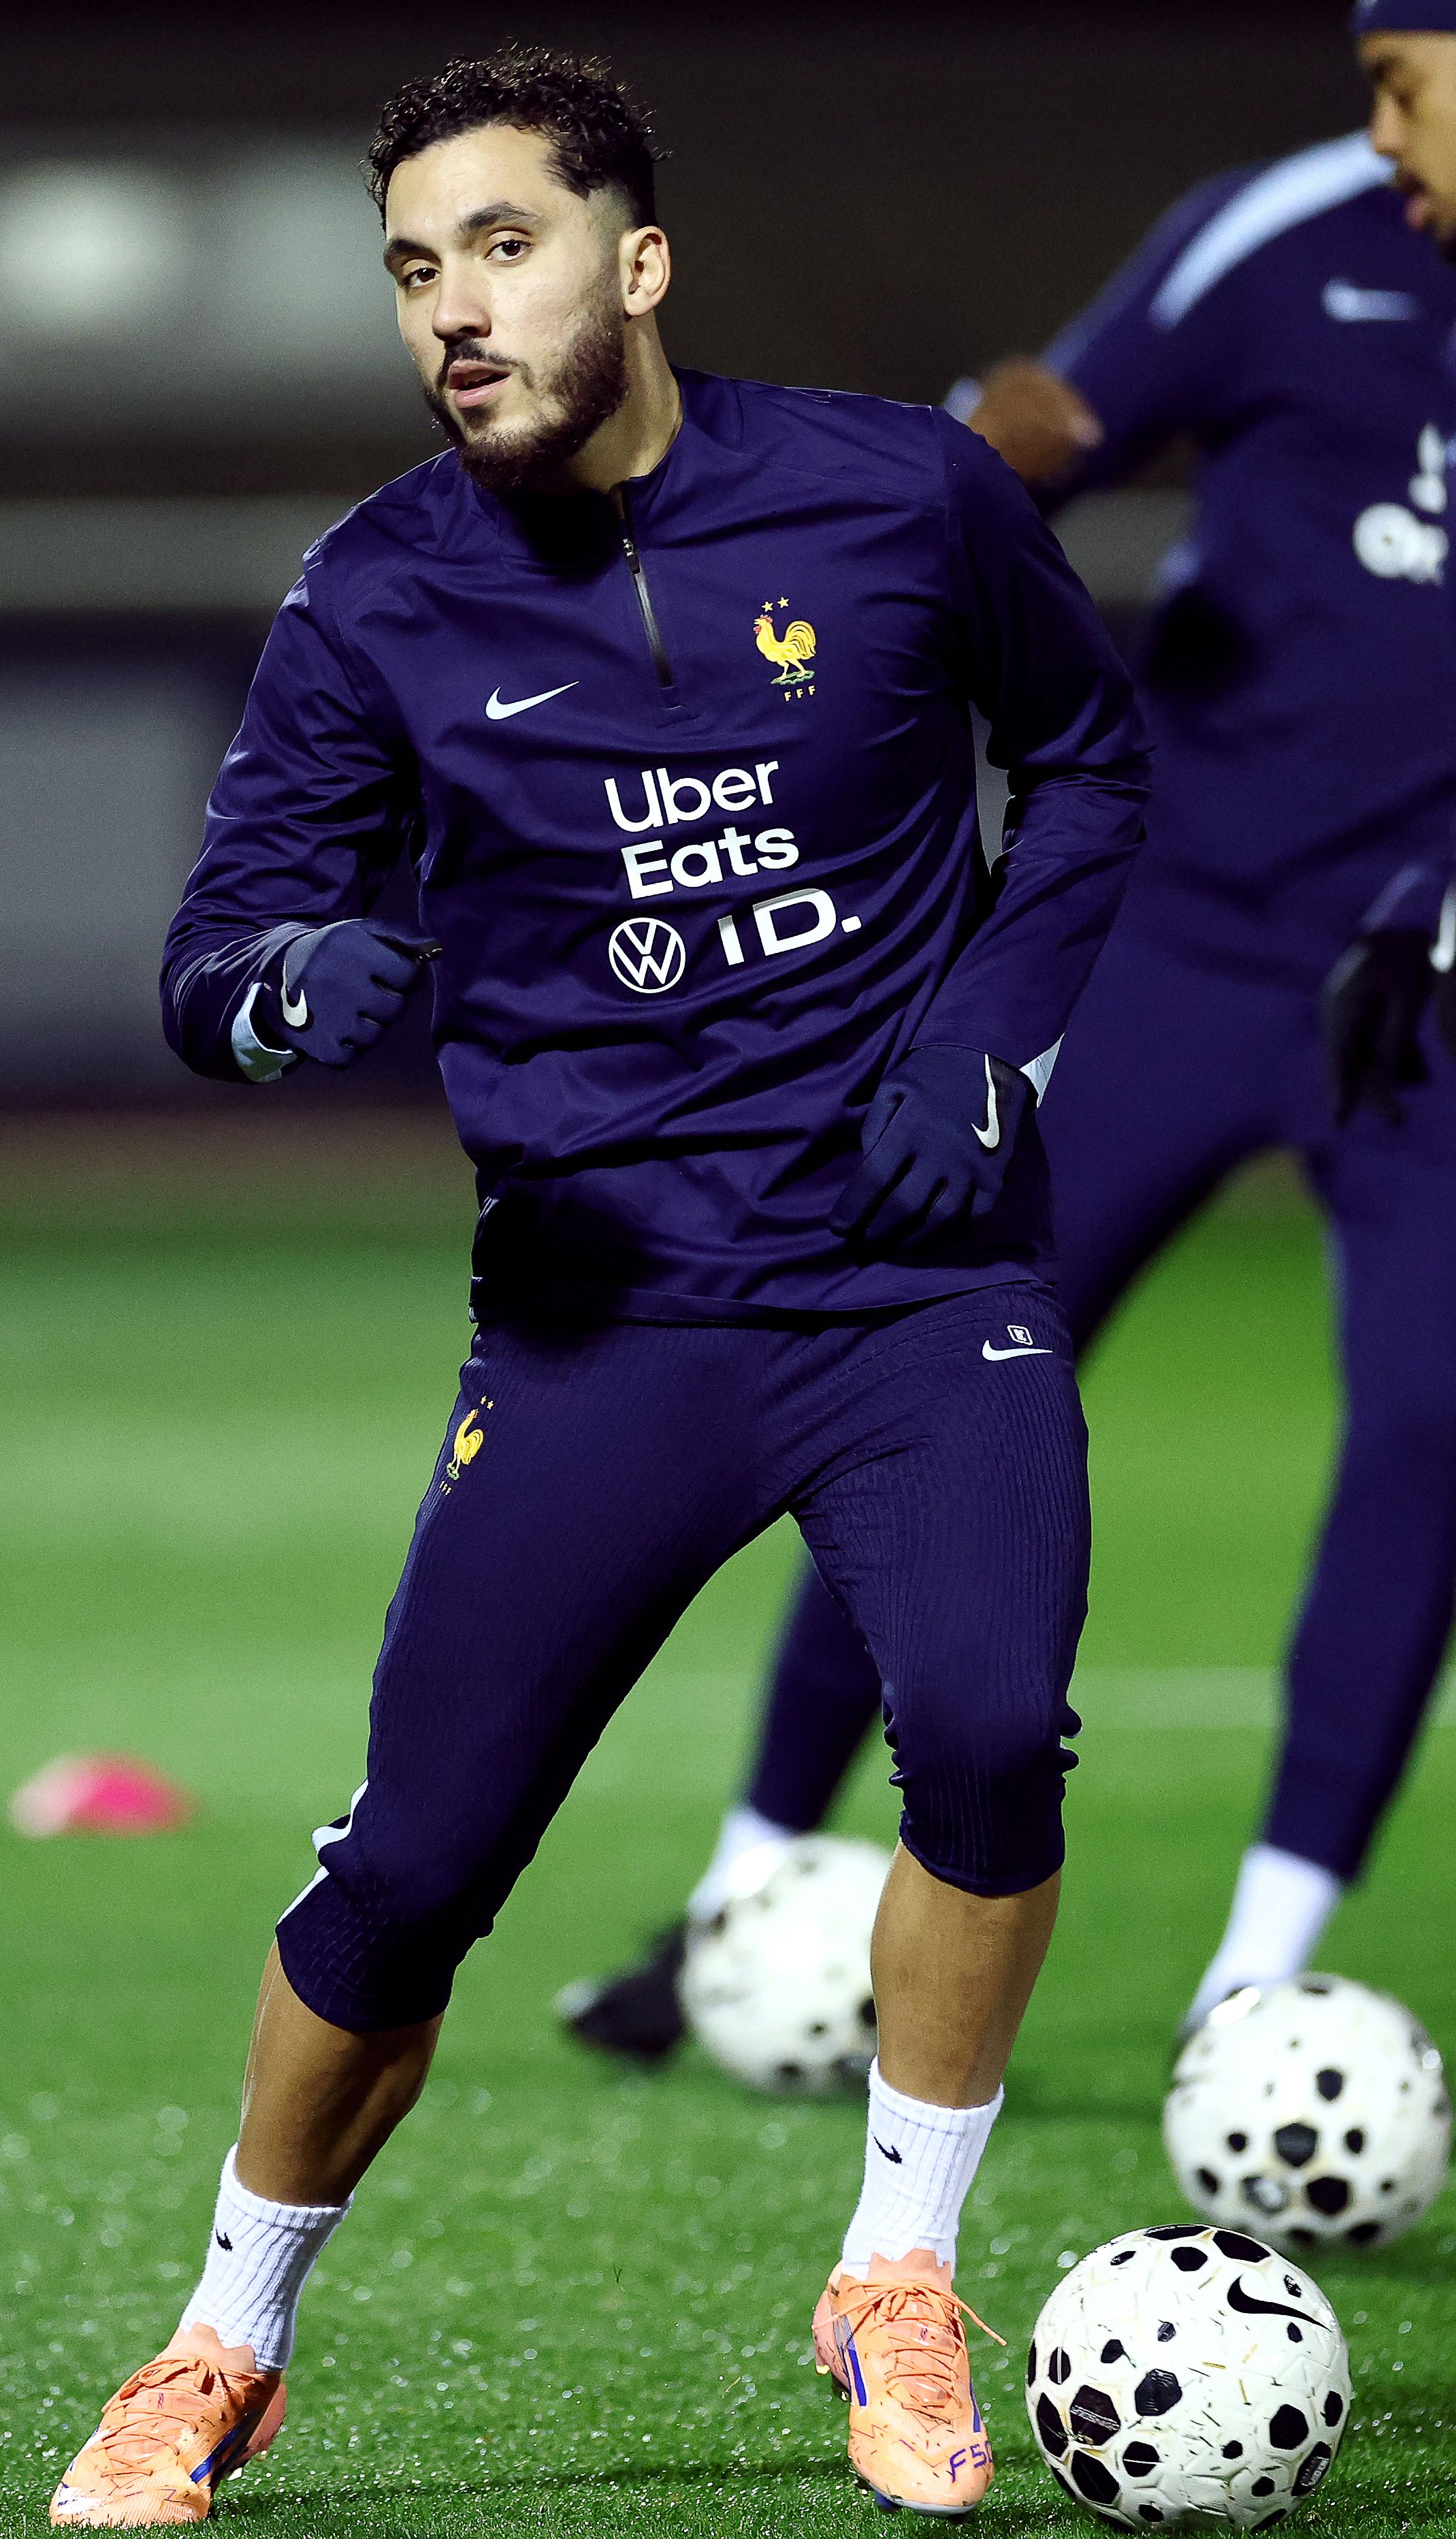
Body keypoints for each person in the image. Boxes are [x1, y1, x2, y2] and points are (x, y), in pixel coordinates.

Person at [50, 46, 1150, 2528]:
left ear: (637, 262)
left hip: (913, 1285)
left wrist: (986, 1037)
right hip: (599, 1321)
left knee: (991, 1728)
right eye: (411, 268)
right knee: (413, 1875)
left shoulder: (904, 493)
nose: (452, 308)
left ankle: (898, 2273)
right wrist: (280, 989)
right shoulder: (376, 594)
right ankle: (224, 2336)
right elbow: (212, 954)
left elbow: (1090, 765)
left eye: (503, 245)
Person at [563, 1, 1456, 2069]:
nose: (1378, 129)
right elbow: (1055, 417)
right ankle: (740, 1895)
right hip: (1184, 929)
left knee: (1430, 1423)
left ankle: (1256, 1990)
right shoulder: (1292, 230)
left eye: (1404, 82)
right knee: (938, 1362)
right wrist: (953, 488)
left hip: (1426, 975)